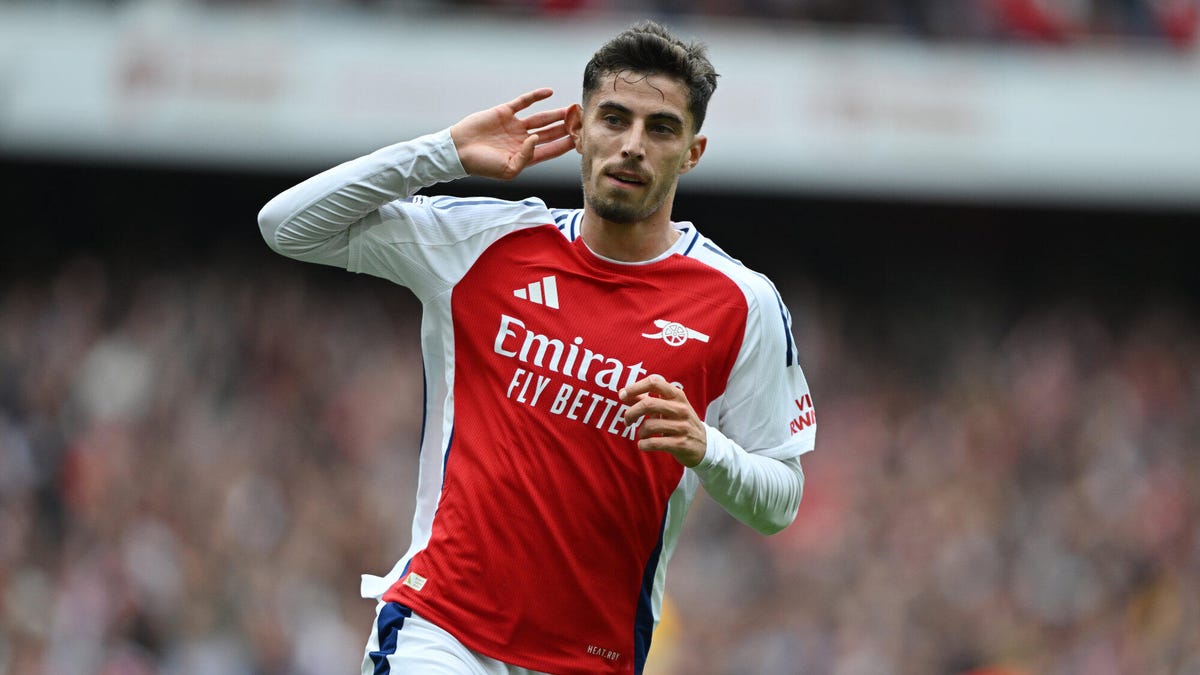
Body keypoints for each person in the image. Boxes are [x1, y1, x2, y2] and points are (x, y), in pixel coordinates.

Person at [257, 20, 816, 675]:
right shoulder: (489, 244)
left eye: (660, 128)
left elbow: (781, 501)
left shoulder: (739, 302)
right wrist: (444, 153)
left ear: (692, 151)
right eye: (615, 118)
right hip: (442, 633)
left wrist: (707, 448)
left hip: (591, 658)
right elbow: (286, 226)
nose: (633, 145)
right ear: (578, 129)